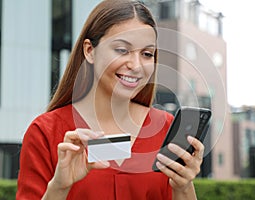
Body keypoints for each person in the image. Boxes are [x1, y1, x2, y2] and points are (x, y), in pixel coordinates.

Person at [16, 0, 205, 199]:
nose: (136, 65)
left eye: (147, 54)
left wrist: (184, 186)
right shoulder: (45, 132)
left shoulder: (166, 128)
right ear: (89, 51)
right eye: (122, 50)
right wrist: (59, 187)